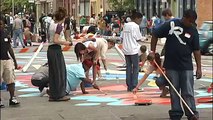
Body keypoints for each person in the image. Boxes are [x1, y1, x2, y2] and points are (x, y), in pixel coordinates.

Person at [149, 9, 202, 120]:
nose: (191, 24)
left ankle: (191, 113)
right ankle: (176, 113)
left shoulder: (193, 30)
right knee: (174, 91)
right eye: (190, 21)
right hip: (171, 65)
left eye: (193, 22)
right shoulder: (171, 24)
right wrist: (152, 52)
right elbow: (155, 34)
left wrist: (199, 68)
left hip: (186, 66)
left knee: (188, 91)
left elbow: (196, 50)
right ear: (185, 18)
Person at [47, 7, 72, 101]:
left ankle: (53, 94)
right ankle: (60, 94)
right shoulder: (59, 26)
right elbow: (56, 40)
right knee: (60, 72)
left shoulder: (52, 24)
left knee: (53, 73)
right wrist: (66, 43)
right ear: (64, 18)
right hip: (55, 49)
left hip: (50, 49)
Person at [31, 63, 100, 96]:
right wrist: (93, 83)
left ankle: (48, 89)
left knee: (62, 92)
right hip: (65, 80)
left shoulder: (80, 69)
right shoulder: (80, 69)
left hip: (64, 80)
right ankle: (47, 90)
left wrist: (84, 91)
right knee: (62, 93)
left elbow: (81, 81)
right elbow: (83, 79)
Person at [121, 12, 143, 92]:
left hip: (126, 49)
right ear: (136, 18)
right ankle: (134, 85)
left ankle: (129, 85)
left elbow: (122, 37)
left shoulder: (126, 25)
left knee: (128, 67)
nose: (140, 22)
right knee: (136, 67)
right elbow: (138, 38)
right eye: (140, 20)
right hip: (133, 49)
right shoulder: (135, 26)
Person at [0, 18, 20, 108]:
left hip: (6, 59)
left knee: (11, 80)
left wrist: (14, 61)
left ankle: (12, 98)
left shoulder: (6, 35)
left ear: (4, 25)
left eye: (1, 24)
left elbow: (9, 48)